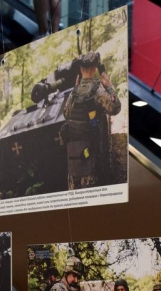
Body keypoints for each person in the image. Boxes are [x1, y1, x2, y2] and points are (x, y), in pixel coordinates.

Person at [63, 52, 121, 190]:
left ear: (80, 69)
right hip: (92, 157)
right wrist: (109, 86)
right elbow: (115, 108)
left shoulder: (74, 92)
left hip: (75, 157)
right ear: (95, 69)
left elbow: (66, 114)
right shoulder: (98, 90)